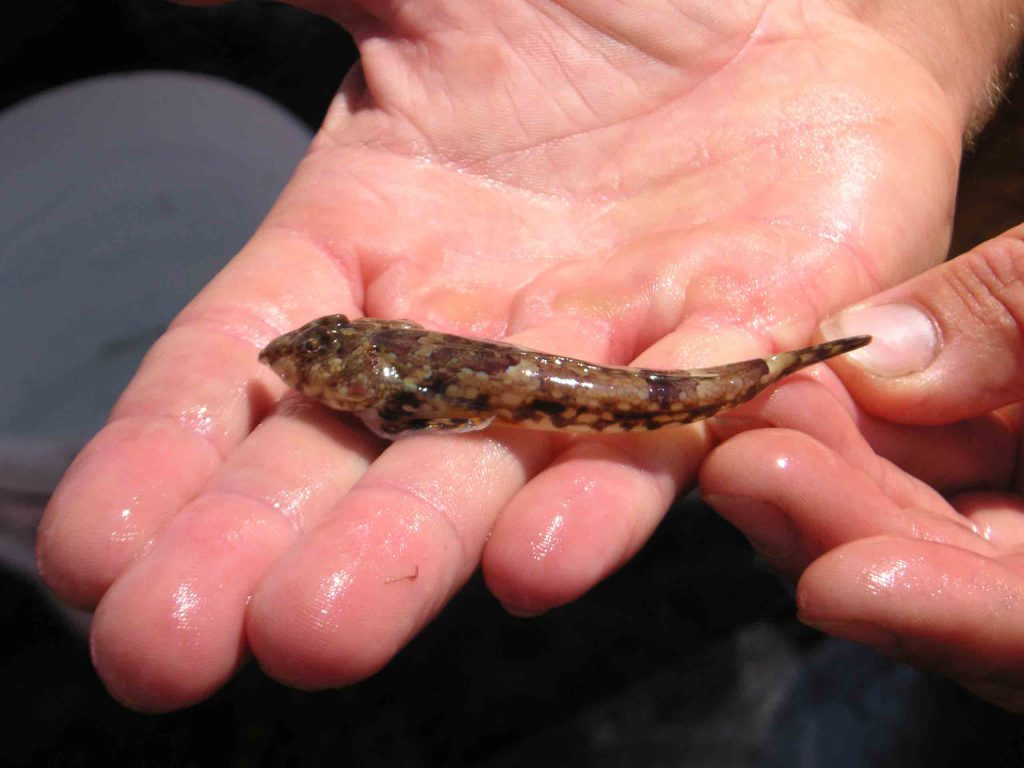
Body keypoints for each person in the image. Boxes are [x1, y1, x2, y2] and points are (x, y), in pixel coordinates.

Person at [36, 0, 1024, 712]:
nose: (287, 361)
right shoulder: (411, 373)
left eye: (308, 361)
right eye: (306, 357)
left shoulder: (414, 386)